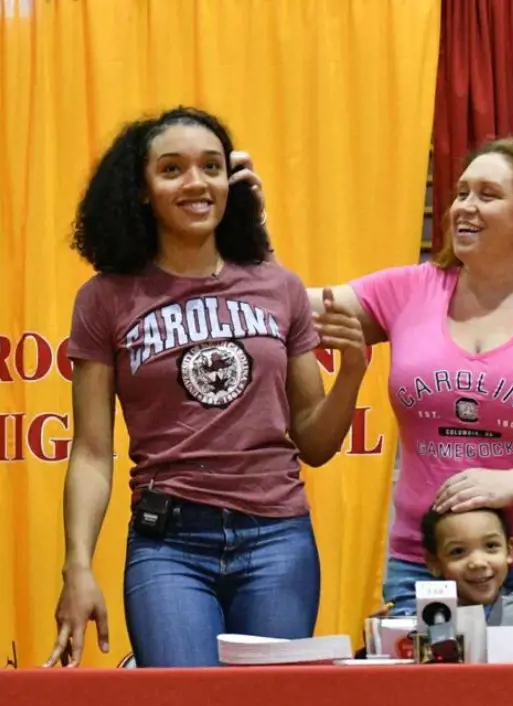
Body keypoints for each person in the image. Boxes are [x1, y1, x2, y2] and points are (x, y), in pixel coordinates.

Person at [231, 135, 513, 624]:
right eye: (460, 193)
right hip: (428, 565)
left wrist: (509, 485)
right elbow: (286, 305)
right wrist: (251, 225)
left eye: (487, 195)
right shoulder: (409, 289)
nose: (465, 208)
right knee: (431, 704)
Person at [46, 107, 367, 669]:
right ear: (141, 190)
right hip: (168, 542)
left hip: (276, 538)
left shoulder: (280, 286)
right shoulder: (105, 299)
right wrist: (77, 566)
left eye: (211, 167)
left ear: (231, 181)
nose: (196, 182)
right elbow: (93, 453)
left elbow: (315, 443)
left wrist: (355, 372)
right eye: (172, 169)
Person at [420, 506, 513, 626]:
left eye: (491, 546)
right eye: (458, 551)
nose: (478, 563)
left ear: (509, 550)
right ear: (434, 563)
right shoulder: (427, 616)